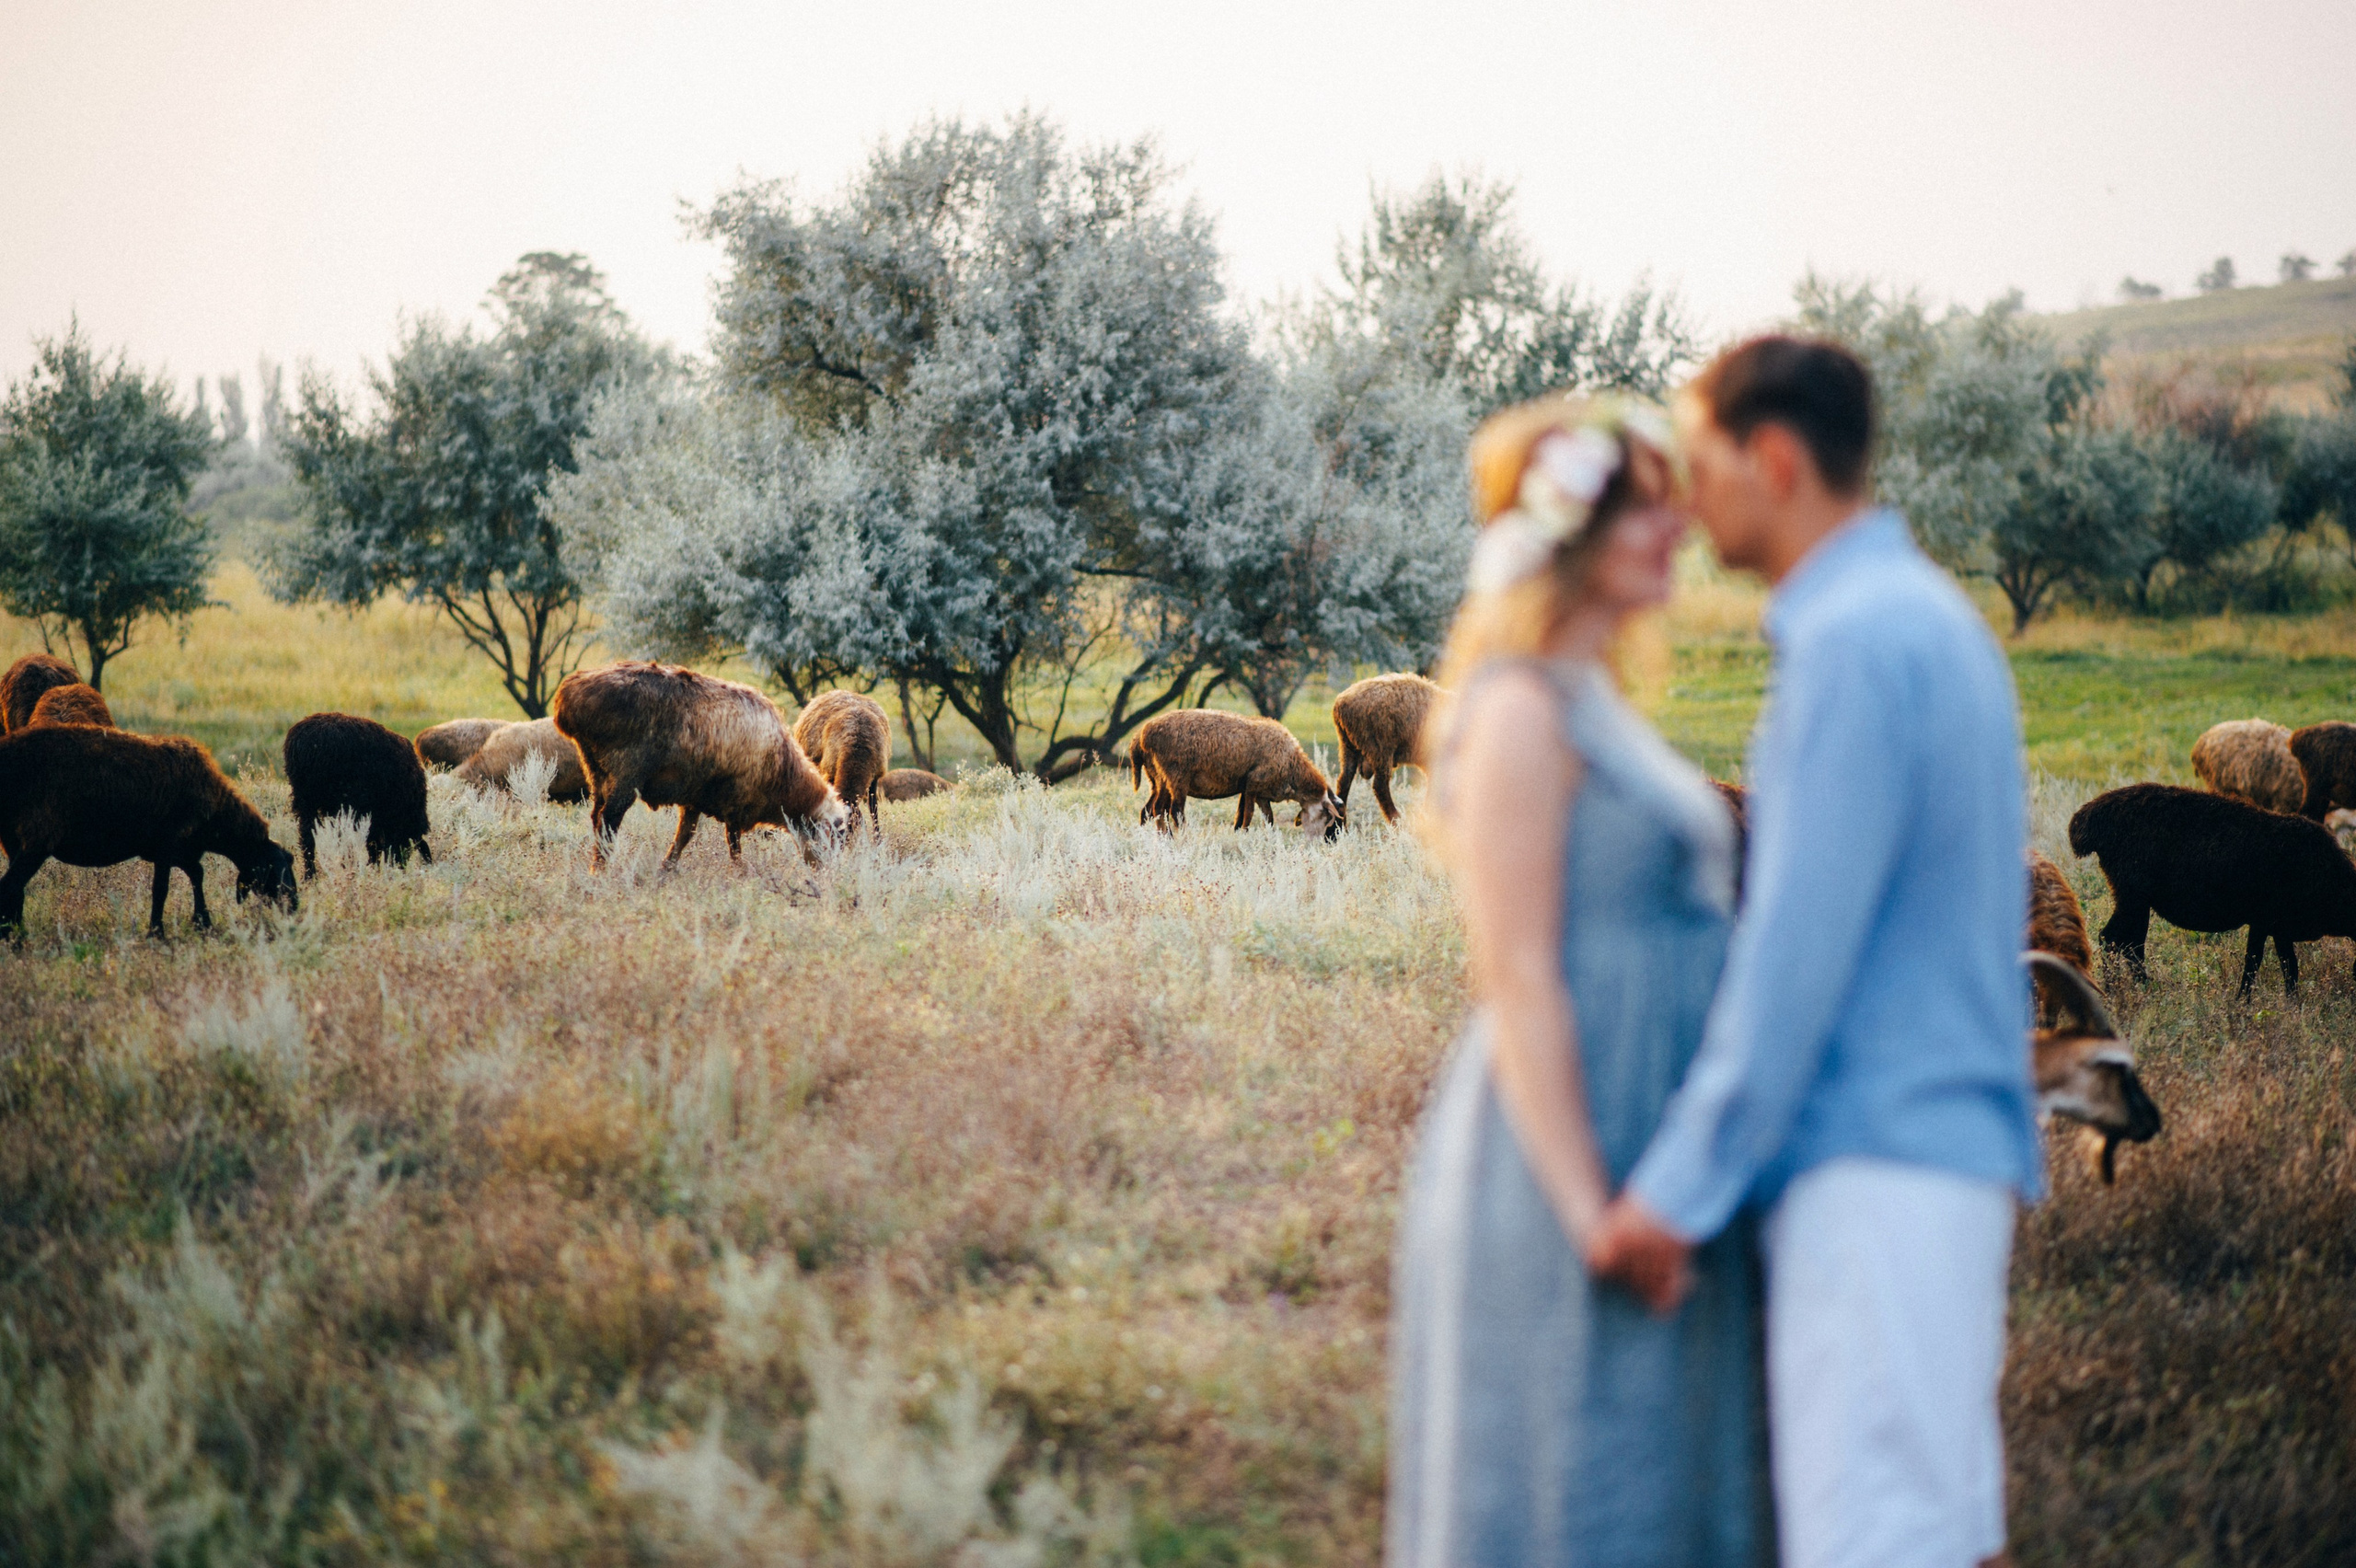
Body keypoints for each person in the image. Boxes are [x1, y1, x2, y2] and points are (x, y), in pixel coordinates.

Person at [1588, 337, 2044, 1568]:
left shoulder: (1853, 649)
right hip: (1940, 1156)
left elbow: (1794, 964)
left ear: (1775, 460)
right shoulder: (1929, 621)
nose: (1684, 500)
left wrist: (1671, 1196)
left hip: (1876, 1167)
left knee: (1872, 1540)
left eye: (1702, 463)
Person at [1387, 398, 1773, 1567]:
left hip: (1655, 1118)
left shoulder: (1592, 698)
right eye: (1647, 511)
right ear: (1571, 533)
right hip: (1572, 1143)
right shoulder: (1513, 710)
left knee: (1665, 1460)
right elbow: (1516, 974)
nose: (1679, 531)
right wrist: (1587, 1212)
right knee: (1580, 1460)